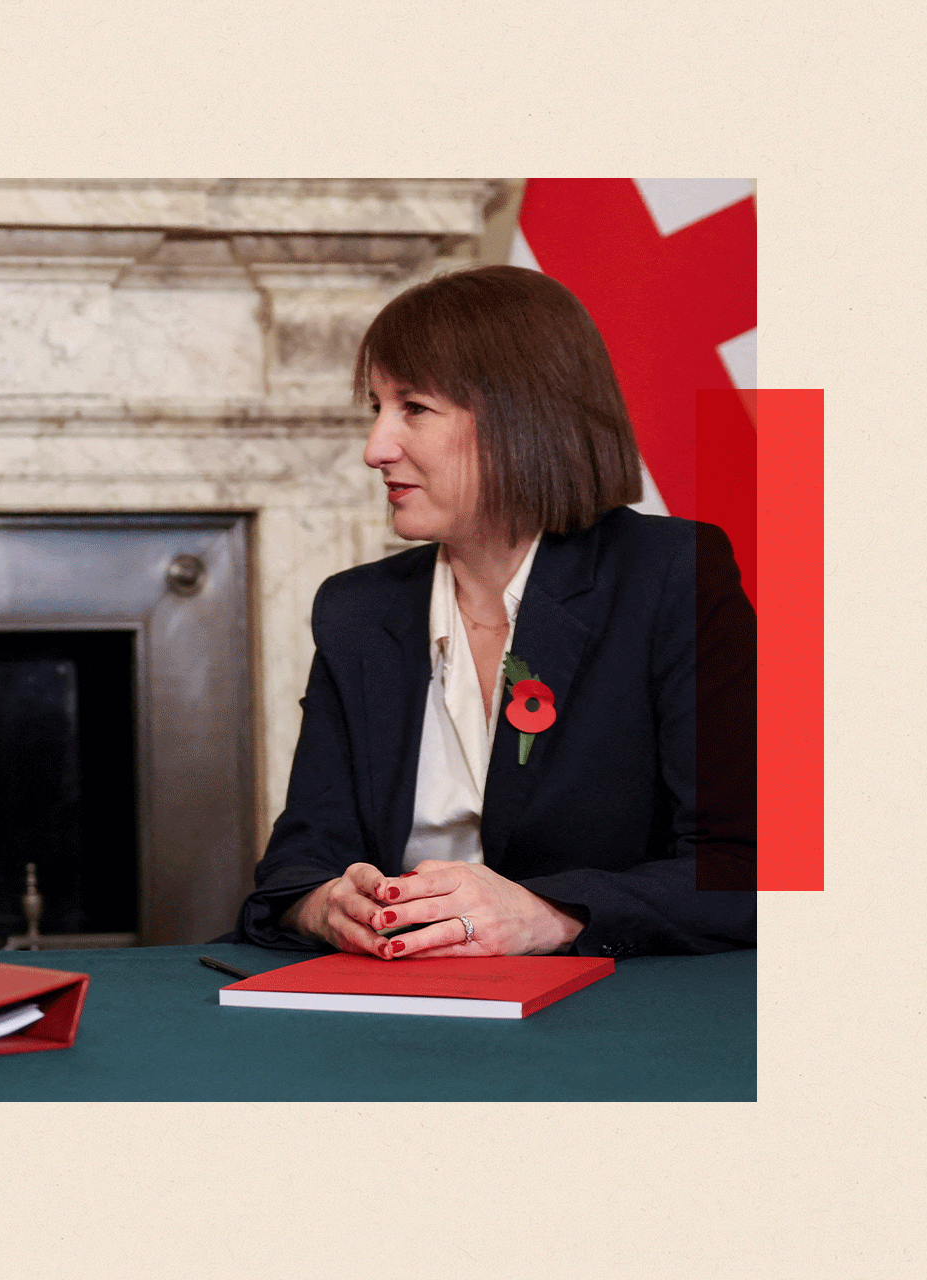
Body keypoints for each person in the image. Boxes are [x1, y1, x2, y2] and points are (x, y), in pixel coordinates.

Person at [235, 265, 755, 960]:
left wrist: (551, 915)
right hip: (393, 1005)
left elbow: (746, 871)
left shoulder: (670, 574)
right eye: (376, 410)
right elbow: (297, 864)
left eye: (413, 408)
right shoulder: (357, 608)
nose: (375, 449)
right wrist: (328, 905)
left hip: (608, 1017)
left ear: (522, 416)